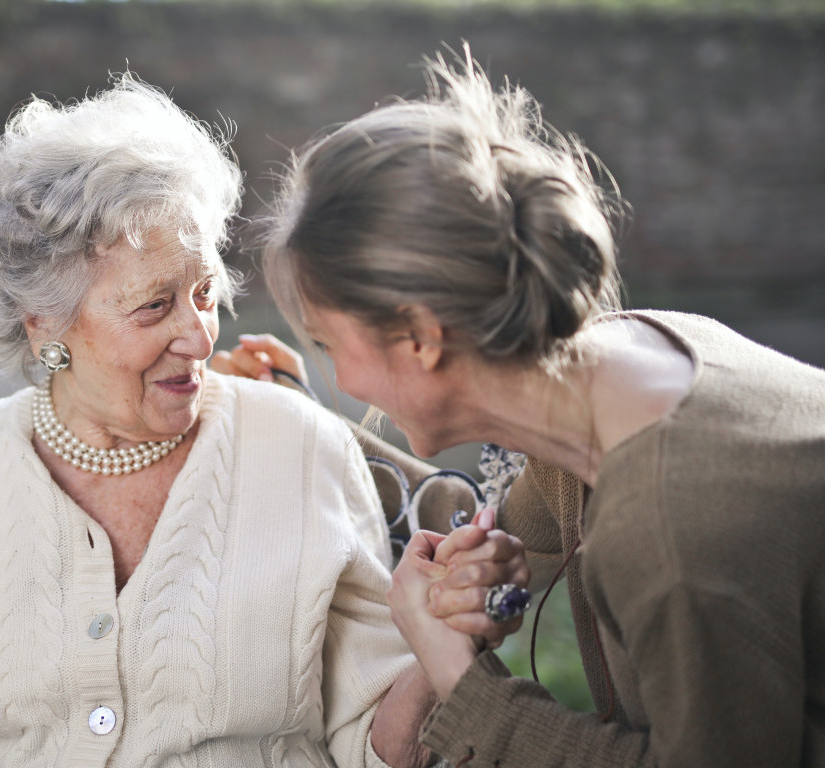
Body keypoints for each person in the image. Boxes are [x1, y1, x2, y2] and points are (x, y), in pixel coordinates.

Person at [0, 74, 526, 768]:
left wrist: (440, 642)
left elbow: (372, 744)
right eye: (154, 306)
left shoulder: (302, 448)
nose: (199, 334)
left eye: (205, 292)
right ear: (42, 324)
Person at [255, 49, 825, 767]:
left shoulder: (670, 528)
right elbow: (492, 540)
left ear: (422, 338)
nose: (339, 375)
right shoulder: (622, 365)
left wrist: (463, 680)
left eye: (328, 342)